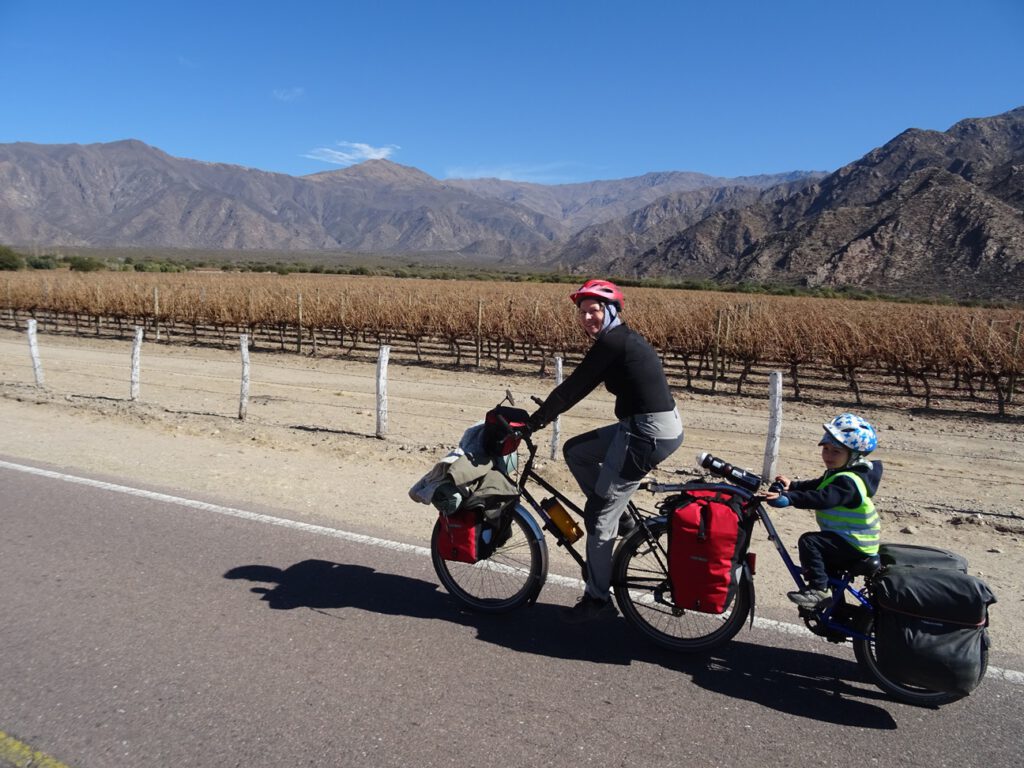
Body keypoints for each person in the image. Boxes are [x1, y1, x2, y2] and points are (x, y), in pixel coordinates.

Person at [526, 279, 683, 622]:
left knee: (598, 517)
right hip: (643, 425)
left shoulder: (613, 342)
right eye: (582, 312)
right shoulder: (619, 339)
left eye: (594, 310)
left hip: (647, 433)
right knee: (576, 451)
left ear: (610, 311)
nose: (587, 318)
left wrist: (534, 422)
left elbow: (573, 389)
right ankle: (622, 516)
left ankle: (597, 599)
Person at [764, 413, 883, 609]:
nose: (828, 455)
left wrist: (790, 499)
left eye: (835, 451)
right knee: (828, 566)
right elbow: (819, 485)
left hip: (855, 543)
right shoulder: (840, 473)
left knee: (810, 542)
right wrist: (793, 486)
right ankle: (837, 610)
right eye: (826, 449)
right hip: (847, 538)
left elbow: (822, 498)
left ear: (853, 455)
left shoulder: (848, 482)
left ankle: (819, 590)